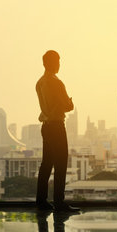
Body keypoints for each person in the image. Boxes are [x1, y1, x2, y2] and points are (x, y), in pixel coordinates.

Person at [35, 50, 80, 212]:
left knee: (46, 163)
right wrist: (68, 102)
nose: (60, 64)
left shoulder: (39, 83)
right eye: (59, 61)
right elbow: (68, 106)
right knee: (60, 163)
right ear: (54, 63)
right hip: (56, 126)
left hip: (45, 127)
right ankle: (59, 202)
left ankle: (41, 200)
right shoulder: (56, 82)